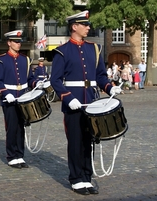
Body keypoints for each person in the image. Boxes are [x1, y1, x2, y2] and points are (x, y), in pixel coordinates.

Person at [50, 11, 122, 195]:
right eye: (85, 24)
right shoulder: (62, 51)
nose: (89, 27)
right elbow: (55, 80)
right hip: (73, 102)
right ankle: (76, 178)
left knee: (88, 141)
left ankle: (86, 177)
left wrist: (109, 87)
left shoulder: (94, 49)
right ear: (74, 26)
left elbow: (99, 76)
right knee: (75, 141)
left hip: (91, 102)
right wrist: (67, 97)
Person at [0, 30, 44, 169]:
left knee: (21, 127)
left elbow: (29, 79)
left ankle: (20, 155)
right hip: (9, 98)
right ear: (9, 43)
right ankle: (11, 156)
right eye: (15, 42)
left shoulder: (25, 59)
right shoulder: (1, 60)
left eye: (19, 41)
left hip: (23, 98)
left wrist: (36, 83)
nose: (18, 44)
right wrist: (5, 93)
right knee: (11, 127)